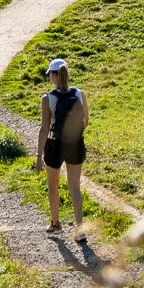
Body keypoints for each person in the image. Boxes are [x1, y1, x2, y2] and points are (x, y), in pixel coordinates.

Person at [35, 57, 90, 236]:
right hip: (75, 144)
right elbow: (85, 121)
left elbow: (44, 129)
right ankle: (80, 230)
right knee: (75, 187)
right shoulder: (79, 94)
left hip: (54, 145)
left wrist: (38, 157)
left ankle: (56, 223)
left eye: (49, 74)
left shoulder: (47, 99)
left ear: (53, 75)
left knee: (53, 185)